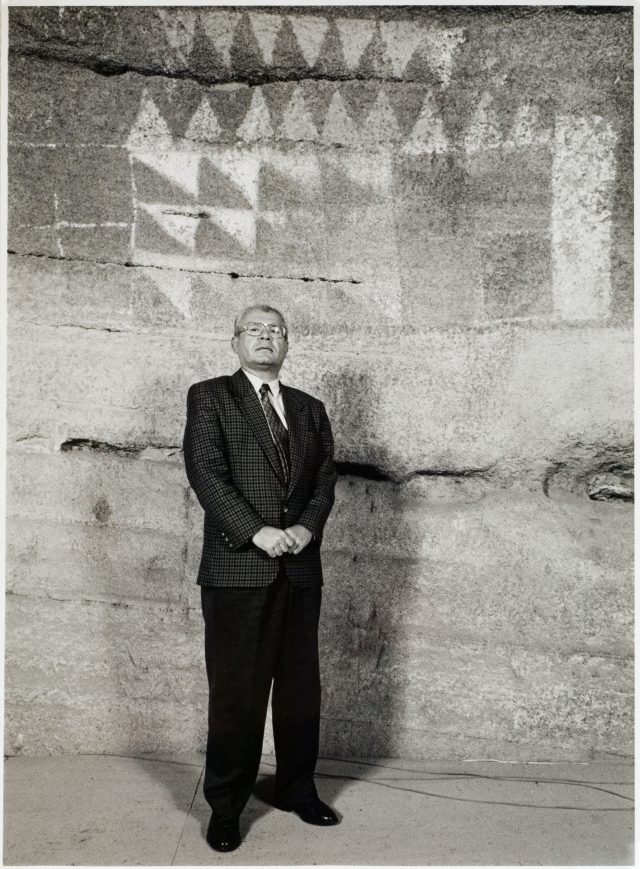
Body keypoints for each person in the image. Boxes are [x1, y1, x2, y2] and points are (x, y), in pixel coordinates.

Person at [183, 304, 339, 852]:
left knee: (300, 693)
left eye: (276, 330)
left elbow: (324, 479)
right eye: (254, 329)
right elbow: (206, 473)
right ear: (236, 342)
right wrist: (257, 532)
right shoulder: (210, 397)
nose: (266, 337)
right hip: (237, 570)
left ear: (287, 343)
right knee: (237, 696)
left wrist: (305, 527)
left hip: (299, 569)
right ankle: (226, 807)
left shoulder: (310, 409)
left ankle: (298, 789)